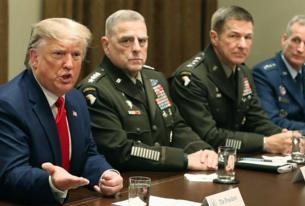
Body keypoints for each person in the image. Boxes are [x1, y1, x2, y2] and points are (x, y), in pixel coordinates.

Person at [0, 18, 123, 206]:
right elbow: (11, 172)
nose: (69, 64)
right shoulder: (8, 104)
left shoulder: (76, 98)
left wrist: (105, 174)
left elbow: (88, 154)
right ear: (34, 58)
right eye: (58, 54)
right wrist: (51, 182)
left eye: (76, 55)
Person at [77, 10, 217, 171]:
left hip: (166, 178)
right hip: (126, 183)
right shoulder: (95, 90)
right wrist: (183, 159)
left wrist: (201, 150)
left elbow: (176, 125)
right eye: (126, 41)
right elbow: (121, 150)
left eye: (142, 41)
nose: (136, 48)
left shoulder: (155, 78)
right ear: (106, 45)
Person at [171, 6, 292, 154]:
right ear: (214, 37)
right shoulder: (192, 77)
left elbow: (256, 118)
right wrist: (265, 143)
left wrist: (283, 135)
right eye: (234, 36)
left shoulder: (243, 71)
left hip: (234, 155)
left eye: (248, 37)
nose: (242, 45)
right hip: (203, 160)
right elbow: (210, 136)